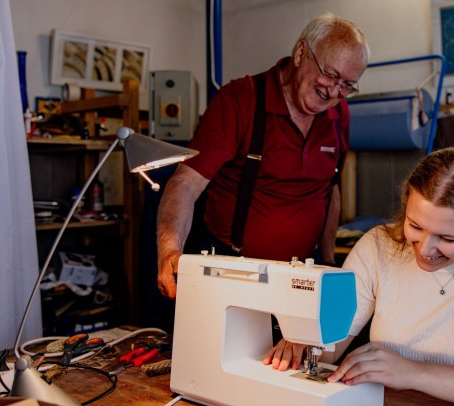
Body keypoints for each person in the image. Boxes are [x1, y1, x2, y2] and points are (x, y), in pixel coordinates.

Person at [263, 147, 454, 406]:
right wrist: (302, 340)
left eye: (447, 238)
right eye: (415, 226)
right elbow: (328, 347)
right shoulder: (378, 247)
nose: (424, 248)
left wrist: (412, 373)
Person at [157, 13, 370, 299]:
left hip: (300, 277)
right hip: (231, 272)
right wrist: (170, 248)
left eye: (347, 85)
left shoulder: (338, 114)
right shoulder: (239, 101)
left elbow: (329, 189)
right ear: (300, 53)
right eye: (330, 74)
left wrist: (328, 261)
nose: (333, 91)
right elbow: (185, 183)